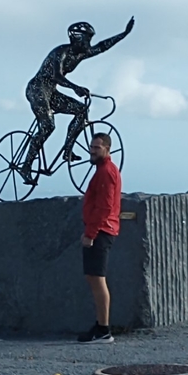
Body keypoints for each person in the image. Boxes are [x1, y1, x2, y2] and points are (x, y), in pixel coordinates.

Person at [20, 17, 134, 185]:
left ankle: (68, 149)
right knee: (48, 126)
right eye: (87, 38)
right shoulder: (60, 52)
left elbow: (102, 47)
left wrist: (124, 34)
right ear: (77, 38)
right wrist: (75, 87)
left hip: (51, 92)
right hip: (37, 89)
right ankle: (26, 166)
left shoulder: (81, 53)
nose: (89, 42)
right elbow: (56, 75)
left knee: (81, 110)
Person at [77, 133, 121, 343]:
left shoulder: (106, 172)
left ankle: (104, 329)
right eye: (91, 147)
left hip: (102, 231)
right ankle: (100, 325)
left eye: (97, 148)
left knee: (98, 279)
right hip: (102, 229)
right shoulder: (105, 171)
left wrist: (90, 234)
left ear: (107, 149)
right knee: (94, 278)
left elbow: (104, 207)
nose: (92, 151)